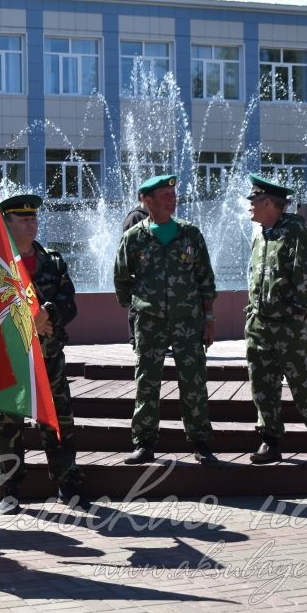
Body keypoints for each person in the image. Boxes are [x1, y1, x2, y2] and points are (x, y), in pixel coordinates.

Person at [0, 194, 89, 515]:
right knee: (8, 425)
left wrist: (47, 313)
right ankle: (9, 489)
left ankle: (67, 483)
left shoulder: (54, 261)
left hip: (50, 359)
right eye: (23, 219)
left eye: (33, 219)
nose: (31, 224)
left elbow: (71, 304)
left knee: (58, 421)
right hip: (11, 359)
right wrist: (29, 324)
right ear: (6, 223)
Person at [113, 174, 218, 465]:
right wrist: (136, 308)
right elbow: (121, 277)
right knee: (147, 383)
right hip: (150, 322)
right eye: (164, 195)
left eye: (173, 194)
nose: (172, 199)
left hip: (188, 321)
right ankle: (144, 444)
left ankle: (200, 443)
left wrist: (208, 319)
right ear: (146, 201)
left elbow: (205, 279)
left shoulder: (190, 234)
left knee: (194, 382)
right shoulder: (134, 237)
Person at [244, 174, 307, 464]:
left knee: (304, 383)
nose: (249, 205)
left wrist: (295, 314)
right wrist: (251, 315)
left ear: (269, 202)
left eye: (254, 200)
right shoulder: (261, 233)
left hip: (287, 326)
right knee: (262, 385)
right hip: (259, 325)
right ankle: (270, 442)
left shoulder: (294, 230)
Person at [121, 197, 150, 349]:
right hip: (139, 272)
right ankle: (137, 341)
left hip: (151, 273)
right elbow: (130, 245)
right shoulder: (136, 217)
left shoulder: (151, 216)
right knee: (138, 307)